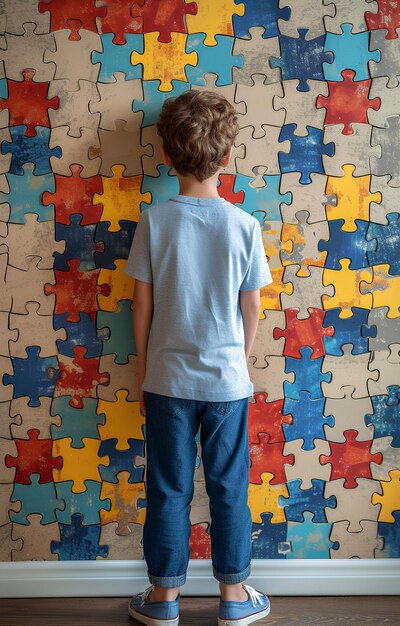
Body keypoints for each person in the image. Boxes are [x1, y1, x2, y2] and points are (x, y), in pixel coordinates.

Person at [124, 90, 272, 626]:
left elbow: (141, 303)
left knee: (168, 485)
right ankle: (234, 596)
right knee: (229, 486)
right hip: (227, 382)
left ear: (166, 156)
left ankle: (164, 600)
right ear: (227, 156)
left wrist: (145, 369)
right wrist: (239, 361)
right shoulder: (244, 226)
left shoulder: (155, 221)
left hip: (166, 379)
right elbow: (250, 307)